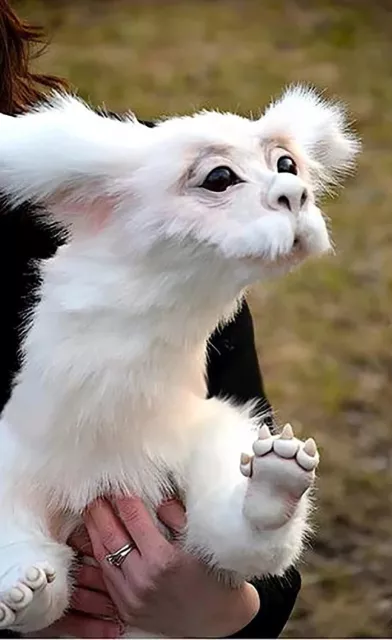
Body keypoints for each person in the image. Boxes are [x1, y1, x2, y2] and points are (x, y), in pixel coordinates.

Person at [0, 1, 300, 637]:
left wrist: (225, 609)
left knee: (224, 444)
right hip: (31, 553)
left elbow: (264, 585)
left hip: (172, 568)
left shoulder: (138, 181)